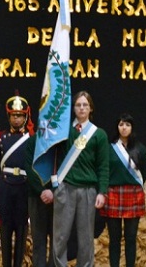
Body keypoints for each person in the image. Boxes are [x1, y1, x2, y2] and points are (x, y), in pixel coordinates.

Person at [53, 90, 109, 267]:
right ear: (73, 108)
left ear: (90, 108)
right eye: (78, 105)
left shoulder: (99, 134)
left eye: (85, 105)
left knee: (86, 237)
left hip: (88, 191)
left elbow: (103, 166)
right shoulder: (64, 132)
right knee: (60, 235)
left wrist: (102, 192)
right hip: (65, 188)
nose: (82, 108)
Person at [0, 92, 34, 267]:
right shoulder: (1, 138)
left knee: (21, 230)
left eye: (20, 116)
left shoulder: (32, 139)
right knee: (5, 229)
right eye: (14, 115)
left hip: (24, 188)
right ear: (8, 116)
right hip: (5, 187)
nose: (17, 119)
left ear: (26, 116)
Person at [99, 113, 146, 267]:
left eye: (127, 124)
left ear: (132, 127)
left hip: (133, 194)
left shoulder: (140, 148)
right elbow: (104, 170)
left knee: (131, 237)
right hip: (113, 194)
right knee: (114, 238)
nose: (124, 127)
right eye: (121, 124)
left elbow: (144, 173)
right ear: (117, 127)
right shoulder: (109, 148)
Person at [23, 134, 65, 267]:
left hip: (57, 197)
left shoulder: (62, 141)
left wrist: (54, 192)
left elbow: (66, 168)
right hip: (36, 196)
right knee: (39, 241)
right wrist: (41, 190)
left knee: (57, 243)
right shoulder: (32, 142)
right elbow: (28, 168)